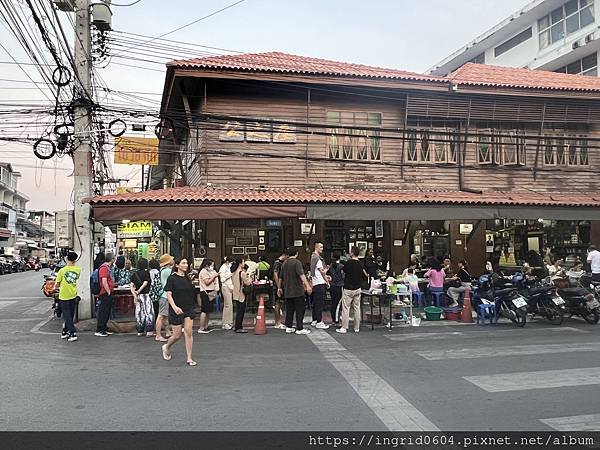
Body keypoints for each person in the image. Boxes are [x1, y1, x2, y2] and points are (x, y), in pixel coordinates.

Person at [161, 257, 197, 366]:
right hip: (176, 308)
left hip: (188, 307)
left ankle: (189, 358)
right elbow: (168, 294)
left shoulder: (187, 278)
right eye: (183, 263)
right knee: (176, 335)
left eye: (187, 263)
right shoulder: (172, 278)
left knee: (188, 332)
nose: (186, 265)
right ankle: (167, 346)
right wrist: (174, 306)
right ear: (177, 265)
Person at [278, 247, 312, 335]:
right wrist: (307, 286)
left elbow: (280, 277)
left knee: (290, 309)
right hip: (297, 290)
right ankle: (299, 328)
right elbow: (301, 275)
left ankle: (288, 326)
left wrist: (279, 288)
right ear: (296, 253)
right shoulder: (297, 263)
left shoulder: (284, 263)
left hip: (287, 290)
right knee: (300, 309)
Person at [337, 245, 366, 334]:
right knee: (357, 308)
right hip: (358, 288)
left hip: (348, 288)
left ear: (352, 253)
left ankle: (344, 327)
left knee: (346, 308)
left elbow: (344, 271)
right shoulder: (361, 263)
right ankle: (356, 327)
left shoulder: (349, 263)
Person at [55, 251, 81, 342]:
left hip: (64, 295)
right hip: (73, 294)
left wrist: (56, 287)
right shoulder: (78, 270)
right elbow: (76, 279)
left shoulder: (62, 271)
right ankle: (65, 331)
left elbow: (57, 284)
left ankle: (72, 332)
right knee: (70, 314)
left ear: (66, 259)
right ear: (75, 260)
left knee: (66, 315)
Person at [130, 257, 154, 337]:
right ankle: (149, 330)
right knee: (148, 312)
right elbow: (145, 283)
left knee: (139, 313)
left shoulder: (134, 273)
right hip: (146, 295)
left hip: (138, 296)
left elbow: (131, 285)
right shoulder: (146, 273)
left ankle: (140, 331)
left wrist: (135, 294)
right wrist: (139, 290)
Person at [309, 242, 329, 329]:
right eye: (320, 247)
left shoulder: (312, 257)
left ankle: (315, 319)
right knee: (320, 303)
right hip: (320, 282)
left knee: (316, 303)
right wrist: (327, 281)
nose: (322, 249)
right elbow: (322, 272)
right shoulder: (318, 259)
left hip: (315, 282)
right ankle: (319, 321)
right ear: (316, 247)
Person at [155, 254, 174, 342]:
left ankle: (168, 332)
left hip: (163, 295)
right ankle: (158, 335)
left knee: (165, 316)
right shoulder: (167, 271)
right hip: (165, 296)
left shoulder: (162, 270)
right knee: (161, 315)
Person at [95, 253, 115, 337]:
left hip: (107, 292)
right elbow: (104, 282)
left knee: (106, 311)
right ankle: (100, 329)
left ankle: (104, 327)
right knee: (103, 311)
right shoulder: (104, 268)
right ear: (111, 259)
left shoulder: (107, 268)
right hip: (105, 293)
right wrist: (108, 291)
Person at [198, 259, 219, 334]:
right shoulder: (203, 271)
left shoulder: (209, 271)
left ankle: (206, 326)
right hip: (205, 292)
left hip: (211, 291)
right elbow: (207, 282)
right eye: (211, 265)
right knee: (204, 310)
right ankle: (201, 327)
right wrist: (214, 276)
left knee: (208, 310)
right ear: (207, 265)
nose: (212, 267)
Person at [231, 259, 252, 333]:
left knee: (238, 311)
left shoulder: (233, 272)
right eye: (243, 262)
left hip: (235, 293)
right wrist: (249, 276)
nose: (244, 263)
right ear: (240, 263)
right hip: (241, 294)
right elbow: (248, 282)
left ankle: (237, 326)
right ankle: (239, 327)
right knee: (241, 311)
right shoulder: (242, 273)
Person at [271, 250, 289, 330]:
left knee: (280, 303)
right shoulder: (277, 263)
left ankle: (279, 321)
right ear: (284, 255)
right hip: (278, 286)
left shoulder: (281, 263)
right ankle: (277, 322)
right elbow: (275, 274)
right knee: (278, 303)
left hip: (281, 285)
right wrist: (279, 287)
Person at [327, 252, 344, 326]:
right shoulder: (341, 266)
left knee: (333, 303)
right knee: (338, 304)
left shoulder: (330, 266)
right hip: (339, 286)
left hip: (332, 286)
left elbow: (328, 274)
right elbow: (343, 276)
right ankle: (336, 320)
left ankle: (333, 319)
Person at [219, 257, 234, 330]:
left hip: (229, 287)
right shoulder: (223, 267)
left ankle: (228, 322)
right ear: (227, 262)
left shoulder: (227, 268)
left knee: (228, 305)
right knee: (228, 305)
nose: (231, 264)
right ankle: (226, 323)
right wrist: (230, 275)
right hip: (225, 287)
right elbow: (222, 279)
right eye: (231, 262)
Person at [148, 258, 161, 322]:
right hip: (157, 293)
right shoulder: (159, 273)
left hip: (150, 293)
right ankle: (157, 322)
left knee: (150, 309)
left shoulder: (148, 273)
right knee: (157, 309)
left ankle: (151, 322)